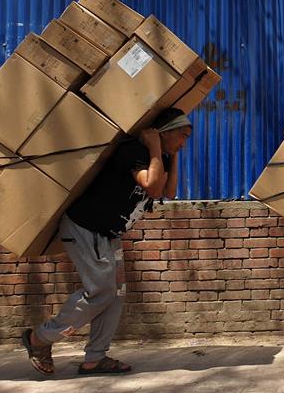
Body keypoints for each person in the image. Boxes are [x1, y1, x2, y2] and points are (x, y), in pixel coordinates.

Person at [22, 108, 193, 376]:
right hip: (86, 228)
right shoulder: (134, 151)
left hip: (109, 234)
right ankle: (39, 339)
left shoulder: (162, 158)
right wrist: (156, 149)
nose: (184, 142)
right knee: (101, 291)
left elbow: (168, 192)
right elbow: (153, 187)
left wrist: (172, 154)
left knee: (116, 294)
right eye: (182, 136)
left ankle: (95, 358)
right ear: (165, 132)